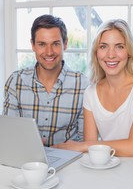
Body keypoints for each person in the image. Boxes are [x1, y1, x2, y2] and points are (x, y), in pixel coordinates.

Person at [54, 19, 133, 157]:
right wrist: (86, 146)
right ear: (96, 53)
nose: (111, 54)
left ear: (129, 52)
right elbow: (91, 147)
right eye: (103, 47)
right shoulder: (91, 93)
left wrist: (81, 145)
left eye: (119, 46)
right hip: (106, 167)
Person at [3, 14, 89, 147]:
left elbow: (85, 140)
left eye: (55, 44)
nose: (49, 52)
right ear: (33, 45)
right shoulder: (16, 81)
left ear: (65, 44)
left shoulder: (82, 85)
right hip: (26, 161)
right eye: (42, 44)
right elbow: (9, 134)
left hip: (70, 162)